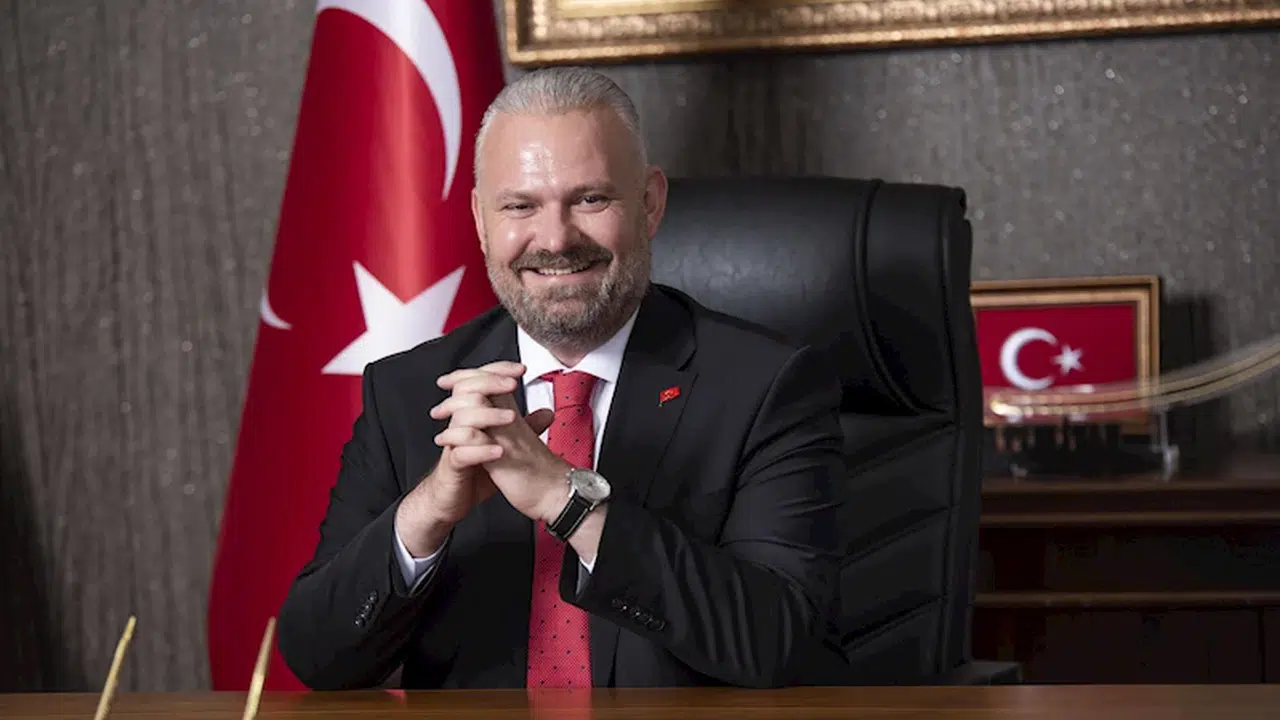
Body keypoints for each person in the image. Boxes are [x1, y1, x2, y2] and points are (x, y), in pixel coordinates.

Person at [276, 67, 848, 691]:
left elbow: (781, 644)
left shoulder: (766, 386)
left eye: (590, 199)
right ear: (480, 219)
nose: (554, 239)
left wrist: (565, 499)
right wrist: (428, 513)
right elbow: (317, 658)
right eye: (520, 206)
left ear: (650, 203)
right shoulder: (411, 391)